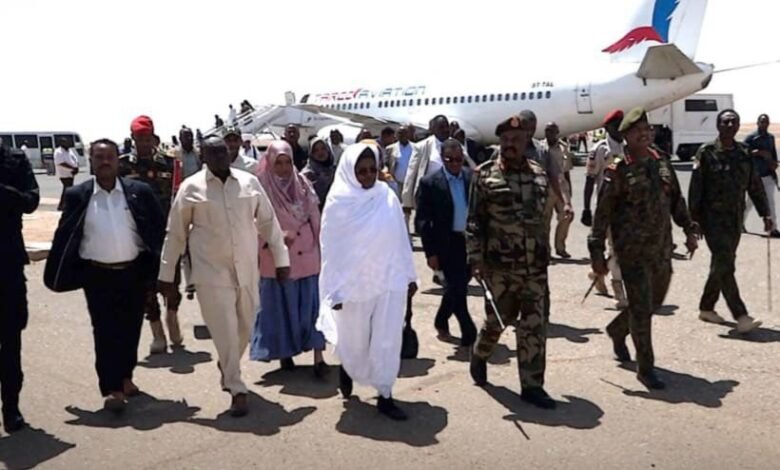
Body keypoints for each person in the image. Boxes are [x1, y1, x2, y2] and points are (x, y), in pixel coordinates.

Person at [158, 136, 289, 417]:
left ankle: (228, 364)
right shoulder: (191, 187)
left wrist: (282, 260)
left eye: (223, 152)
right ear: (203, 157)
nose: (220, 157)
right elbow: (176, 233)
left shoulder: (249, 182)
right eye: (213, 153)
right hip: (211, 273)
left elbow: (268, 222)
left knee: (246, 325)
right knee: (226, 329)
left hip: (247, 270)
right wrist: (166, 274)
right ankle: (236, 386)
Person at [47, 139, 165, 412]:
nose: (105, 162)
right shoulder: (78, 195)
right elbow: (65, 234)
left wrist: (161, 271)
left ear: (117, 160)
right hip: (97, 275)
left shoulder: (139, 192)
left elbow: (158, 230)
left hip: (134, 272)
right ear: (90, 161)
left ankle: (125, 376)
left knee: (131, 328)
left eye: (109, 157)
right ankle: (112, 388)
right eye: (99, 157)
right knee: (104, 331)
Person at [589, 108, 699, 390]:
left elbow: (676, 199)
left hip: (661, 247)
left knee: (653, 303)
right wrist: (596, 253)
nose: (644, 134)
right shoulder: (618, 169)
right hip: (632, 252)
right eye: (637, 130)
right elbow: (602, 214)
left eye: (647, 129)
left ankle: (617, 329)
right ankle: (645, 367)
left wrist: (689, 229)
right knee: (640, 308)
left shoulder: (661, 161)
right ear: (625, 136)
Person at [316, 143, 417, 421]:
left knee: (387, 339)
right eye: (361, 171)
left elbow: (400, 238)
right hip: (352, 287)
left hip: (388, 280)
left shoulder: (387, 196)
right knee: (355, 340)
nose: (368, 175)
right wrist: (334, 292)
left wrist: (409, 275)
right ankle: (347, 368)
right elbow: (331, 251)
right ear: (350, 171)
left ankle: (385, 393)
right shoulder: (338, 203)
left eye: (373, 170)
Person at [467, 114, 556, 409]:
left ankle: (532, 386)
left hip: (534, 268)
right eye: (505, 139)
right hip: (500, 268)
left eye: (515, 140)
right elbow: (474, 222)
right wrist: (475, 259)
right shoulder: (484, 175)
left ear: (526, 140)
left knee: (534, 326)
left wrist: (545, 251)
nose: (509, 144)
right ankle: (480, 353)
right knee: (498, 321)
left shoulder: (539, 174)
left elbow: (543, 218)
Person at [689, 109, 774, 333]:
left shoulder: (744, 152)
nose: (729, 125)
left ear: (737, 126)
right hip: (712, 219)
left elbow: (754, 185)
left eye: (733, 122)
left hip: (734, 219)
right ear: (718, 125)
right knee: (724, 262)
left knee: (723, 263)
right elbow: (696, 187)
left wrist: (765, 214)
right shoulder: (706, 152)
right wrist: (693, 219)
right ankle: (741, 315)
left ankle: (706, 307)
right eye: (725, 122)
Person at [250, 141, 327, 375]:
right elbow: (250, 223)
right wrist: (274, 237)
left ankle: (318, 357)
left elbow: (315, 216)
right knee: (280, 308)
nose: (284, 168)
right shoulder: (260, 189)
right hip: (276, 257)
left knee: (311, 306)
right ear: (270, 163)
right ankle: (285, 353)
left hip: (307, 254)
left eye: (287, 162)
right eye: (278, 163)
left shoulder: (302, 184)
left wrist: (320, 247)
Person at [119, 115, 180, 354]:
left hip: (167, 233)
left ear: (154, 138)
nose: (144, 143)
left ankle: (172, 319)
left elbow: (178, 197)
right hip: (138, 235)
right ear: (132, 138)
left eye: (147, 138)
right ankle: (157, 333)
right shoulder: (123, 166)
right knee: (145, 288)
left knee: (172, 283)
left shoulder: (169, 163)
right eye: (139, 138)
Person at [415, 139, 477, 347]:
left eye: (459, 159)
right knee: (457, 287)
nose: (455, 164)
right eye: (450, 160)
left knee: (459, 285)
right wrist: (430, 252)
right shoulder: (430, 183)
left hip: (468, 241)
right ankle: (469, 331)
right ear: (442, 159)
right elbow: (423, 221)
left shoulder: (471, 177)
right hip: (446, 243)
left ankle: (441, 320)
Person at [0, 141, 39, 432]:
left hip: (8, 263)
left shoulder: (14, 160)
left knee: (11, 340)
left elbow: (31, 200)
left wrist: (4, 192)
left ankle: (11, 407)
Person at [582, 110, 626, 305]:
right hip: (604, 207)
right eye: (616, 125)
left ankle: (599, 274)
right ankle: (619, 293)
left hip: (624, 208)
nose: (620, 128)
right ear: (608, 127)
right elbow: (590, 180)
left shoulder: (628, 147)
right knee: (612, 249)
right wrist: (586, 208)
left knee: (619, 249)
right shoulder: (600, 149)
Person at [402, 115, 451, 213]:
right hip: (430, 196)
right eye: (441, 127)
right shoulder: (422, 147)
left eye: (447, 126)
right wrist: (407, 202)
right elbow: (411, 174)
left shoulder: (456, 145)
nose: (445, 130)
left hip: (451, 195)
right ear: (433, 130)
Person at [541, 122, 574, 258]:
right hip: (546, 188)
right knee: (545, 221)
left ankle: (560, 247)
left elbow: (566, 170)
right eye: (547, 131)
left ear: (557, 132)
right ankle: (546, 250)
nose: (549, 134)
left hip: (561, 188)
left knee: (567, 216)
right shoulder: (540, 148)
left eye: (552, 131)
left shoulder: (563, 148)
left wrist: (569, 191)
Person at [744, 114, 779, 238]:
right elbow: (743, 154)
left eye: (766, 122)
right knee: (750, 203)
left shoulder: (770, 138)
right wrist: (757, 153)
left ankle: (773, 228)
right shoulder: (751, 138)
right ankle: (740, 222)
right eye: (762, 122)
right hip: (755, 177)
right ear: (757, 123)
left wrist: (773, 163)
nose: (764, 124)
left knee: (770, 203)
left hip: (768, 175)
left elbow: (773, 155)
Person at [384, 125, 418, 208]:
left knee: (408, 205)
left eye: (405, 133)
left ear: (409, 134)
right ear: (396, 135)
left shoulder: (416, 147)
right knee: (395, 204)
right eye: (400, 133)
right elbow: (386, 164)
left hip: (410, 182)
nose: (402, 135)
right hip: (396, 182)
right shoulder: (390, 148)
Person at [301, 137, 336, 211]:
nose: (320, 152)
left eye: (323, 148)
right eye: (316, 150)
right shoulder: (307, 174)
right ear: (311, 154)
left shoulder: (335, 171)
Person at [54, 138, 80, 211]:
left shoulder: (69, 150)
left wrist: (76, 167)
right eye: (65, 142)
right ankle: (64, 205)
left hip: (71, 173)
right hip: (64, 174)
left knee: (67, 189)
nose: (67, 143)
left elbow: (75, 159)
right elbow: (60, 163)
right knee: (68, 189)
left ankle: (63, 205)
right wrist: (72, 168)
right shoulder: (58, 152)